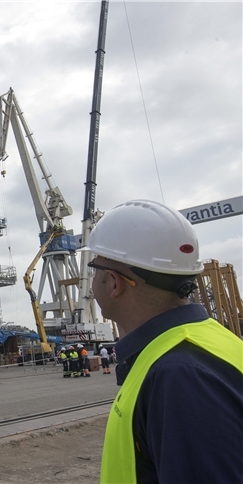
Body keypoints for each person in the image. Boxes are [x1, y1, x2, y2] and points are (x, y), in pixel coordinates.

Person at [83, 200, 243, 484]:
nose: (92, 281)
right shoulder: (208, 341)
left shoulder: (178, 376)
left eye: (94, 269)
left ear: (114, 282)